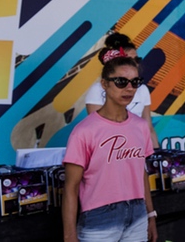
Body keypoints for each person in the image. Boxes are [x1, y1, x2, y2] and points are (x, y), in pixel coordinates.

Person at [63, 53, 156, 242]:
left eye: (135, 82)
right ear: (104, 84)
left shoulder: (140, 126)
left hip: (138, 216)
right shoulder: (84, 131)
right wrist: (69, 235)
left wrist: (150, 215)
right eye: (121, 81)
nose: (129, 88)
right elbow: (71, 187)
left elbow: (142, 173)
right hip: (99, 218)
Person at [84, 33, 158, 149]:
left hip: (138, 150)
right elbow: (98, 129)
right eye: (129, 60)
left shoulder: (143, 90)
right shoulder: (97, 90)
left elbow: (148, 128)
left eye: (137, 60)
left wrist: (156, 154)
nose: (135, 64)